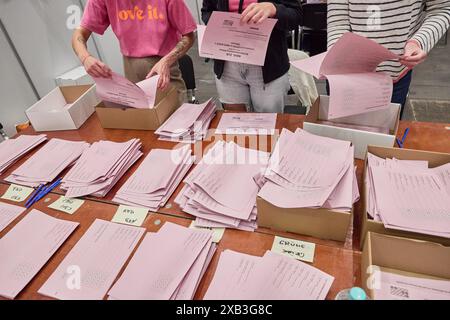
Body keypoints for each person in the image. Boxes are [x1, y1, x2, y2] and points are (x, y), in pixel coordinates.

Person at [327, 0, 450, 118]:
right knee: (344, 133)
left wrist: (419, 42)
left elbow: (441, 9)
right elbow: (338, 20)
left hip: (395, 77)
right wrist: (337, 58)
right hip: (348, 78)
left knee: (386, 134)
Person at [72, 0, 197, 99]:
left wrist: (167, 61)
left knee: (176, 124)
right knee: (143, 125)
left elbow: (189, 36)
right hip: (131, 71)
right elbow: (79, 33)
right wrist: (85, 58)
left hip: (163, 71)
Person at [202, 0, 303, 113]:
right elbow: (207, 11)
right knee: (234, 122)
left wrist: (274, 9)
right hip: (228, 61)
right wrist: (220, 23)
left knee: (268, 123)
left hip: (268, 62)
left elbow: (296, 16)